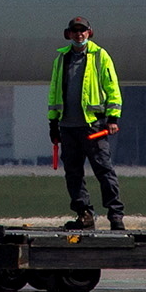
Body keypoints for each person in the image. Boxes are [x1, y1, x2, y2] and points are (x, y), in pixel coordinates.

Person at [49, 16, 124, 229]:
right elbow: (54, 94)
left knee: (103, 170)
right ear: (69, 34)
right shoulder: (61, 60)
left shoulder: (100, 56)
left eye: (82, 30)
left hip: (93, 126)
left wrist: (113, 119)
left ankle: (115, 215)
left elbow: (112, 88)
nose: (79, 34)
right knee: (73, 173)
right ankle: (84, 215)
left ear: (89, 33)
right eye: (75, 31)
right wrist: (53, 125)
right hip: (68, 127)